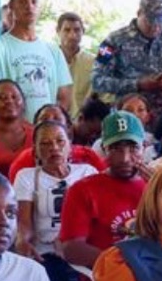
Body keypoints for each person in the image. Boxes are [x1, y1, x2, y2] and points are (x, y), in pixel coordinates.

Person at [14, 119, 98, 281]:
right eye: (46, 144)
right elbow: (25, 222)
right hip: (49, 252)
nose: (54, 148)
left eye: (60, 141)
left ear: (71, 145)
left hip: (82, 248)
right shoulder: (27, 176)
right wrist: (22, 240)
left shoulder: (87, 173)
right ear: (36, 150)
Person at [58, 110, 151, 271]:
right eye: (116, 149)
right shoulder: (83, 190)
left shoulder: (158, 184)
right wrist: (124, 265)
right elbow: (71, 248)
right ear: (103, 149)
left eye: (133, 148)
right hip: (109, 277)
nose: (125, 158)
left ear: (144, 147)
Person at [0, 0, 73, 120]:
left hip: (46, 134)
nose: (29, 7)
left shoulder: (53, 50)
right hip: (14, 134)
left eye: (34, 2)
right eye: (22, 2)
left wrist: (49, 125)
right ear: (11, 6)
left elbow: (64, 98)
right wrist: (18, 130)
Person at [92, 0, 162, 105]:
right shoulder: (113, 41)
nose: (155, 27)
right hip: (130, 113)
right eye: (150, 21)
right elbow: (97, 80)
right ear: (139, 13)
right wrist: (137, 84)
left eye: (161, 22)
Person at [56, 11, 94, 111]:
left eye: (77, 30)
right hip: (52, 121)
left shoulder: (93, 63)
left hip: (83, 123)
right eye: (67, 30)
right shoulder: (48, 61)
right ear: (58, 31)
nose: (72, 35)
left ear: (83, 32)